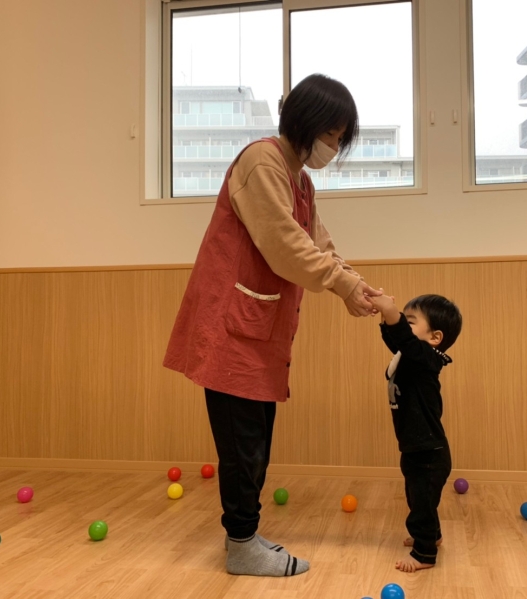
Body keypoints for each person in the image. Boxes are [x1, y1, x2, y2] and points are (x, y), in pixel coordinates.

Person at [163, 74, 380, 577]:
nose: (334, 146)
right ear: (305, 124)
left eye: (339, 139)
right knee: (243, 446)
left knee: (256, 442)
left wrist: (355, 284)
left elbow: (318, 243)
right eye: (331, 135)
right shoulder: (261, 161)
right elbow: (284, 245)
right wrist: (344, 287)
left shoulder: (300, 179)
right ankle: (241, 545)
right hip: (232, 328)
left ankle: (246, 537)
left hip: (258, 330)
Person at [367, 292, 463, 572]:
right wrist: (387, 318)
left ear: (435, 337)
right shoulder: (410, 355)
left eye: (409, 322)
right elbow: (398, 340)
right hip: (415, 445)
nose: (402, 328)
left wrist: (391, 313)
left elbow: (406, 341)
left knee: (421, 501)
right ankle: (432, 536)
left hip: (428, 450)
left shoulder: (427, 358)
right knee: (418, 496)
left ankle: (424, 554)